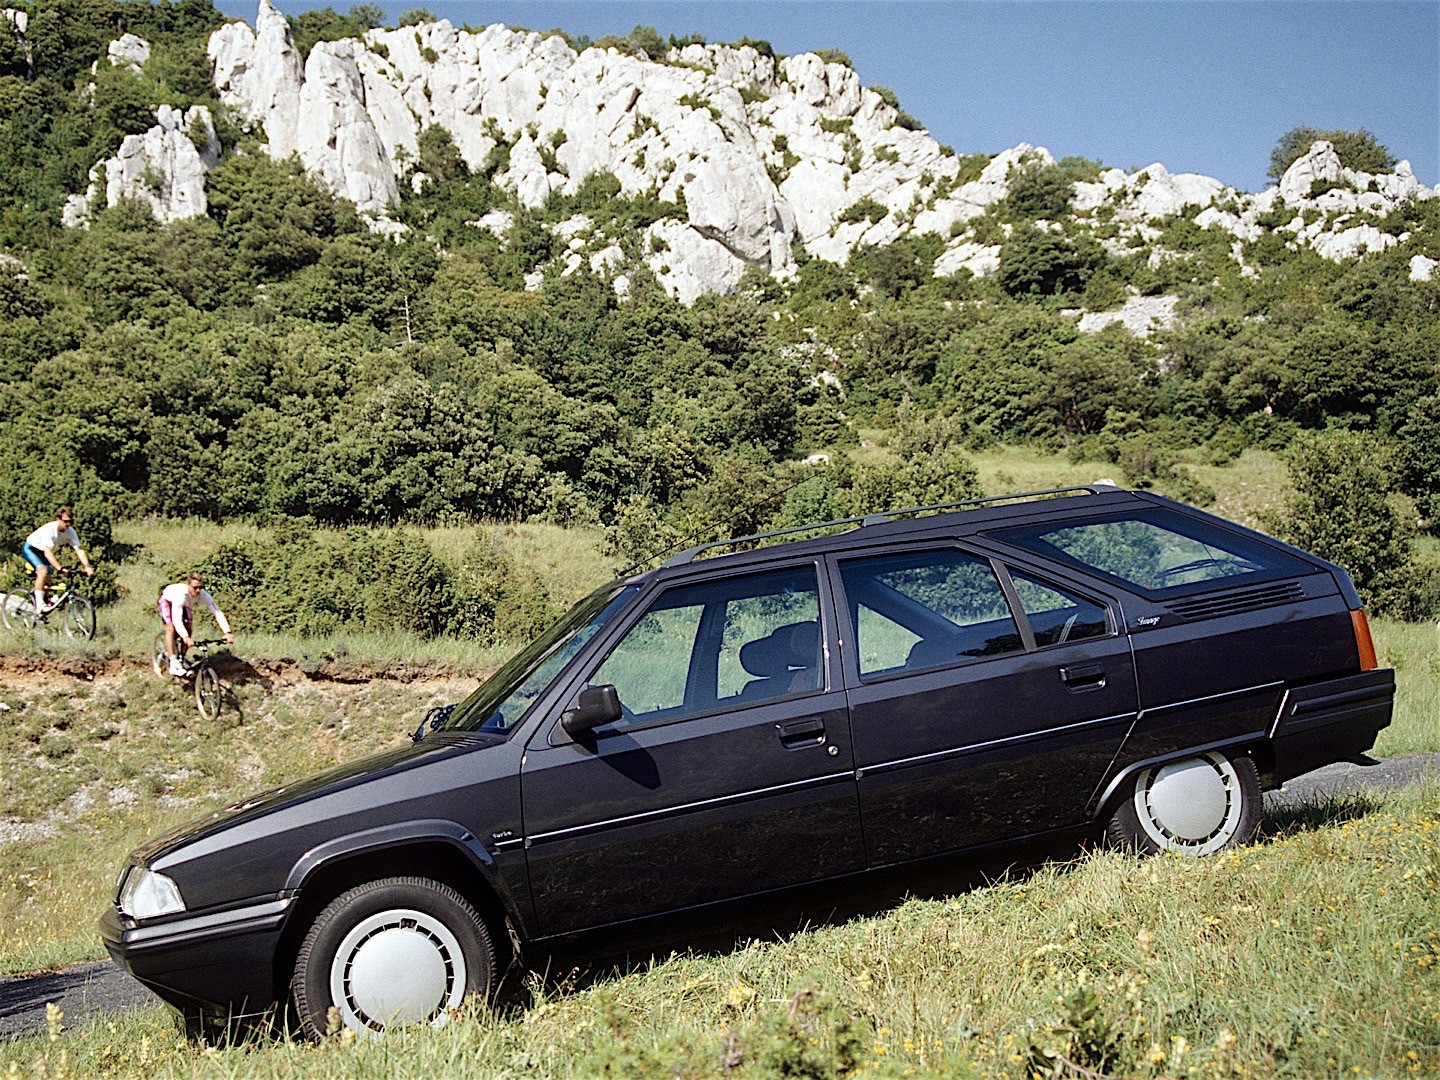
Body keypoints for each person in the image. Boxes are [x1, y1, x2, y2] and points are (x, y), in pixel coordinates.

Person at [21, 506, 94, 616]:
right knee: (43, 572)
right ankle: (39, 605)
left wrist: (87, 566)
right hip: (31, 548)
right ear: (58, 519)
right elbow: (48, 553)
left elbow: (79, 549)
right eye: (65, 521)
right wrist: (60, 569)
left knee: (49, 582)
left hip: (42, 551)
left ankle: (42, 610)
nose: (67, 524)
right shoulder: (50, 530)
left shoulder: (70, 532)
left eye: (70, 521)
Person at [158, 573, 234, 676]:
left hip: (185, 604)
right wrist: (185, 637)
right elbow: (177, 619)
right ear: (188, 585)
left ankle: (182, 658)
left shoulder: (203, 595)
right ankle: (173, 661)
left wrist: (227, 632)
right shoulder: (180, 596)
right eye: (195, 587)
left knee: (189, 627)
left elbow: (217, 612)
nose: (198, 591)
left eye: (200, 587)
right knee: (171, 628)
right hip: (168, 601)